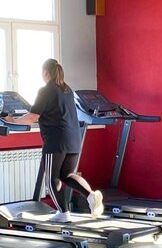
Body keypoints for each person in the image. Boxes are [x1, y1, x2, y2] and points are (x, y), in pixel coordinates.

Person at [8, 58, 103, 222]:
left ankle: (63, 213)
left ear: (45, 73)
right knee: (67, 175)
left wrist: (13, 121)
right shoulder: (67, 89)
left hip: (56, 140)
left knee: (52, 178)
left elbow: (32, 117)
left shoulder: (46, 90)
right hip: (74, 139)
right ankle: (91, 196)